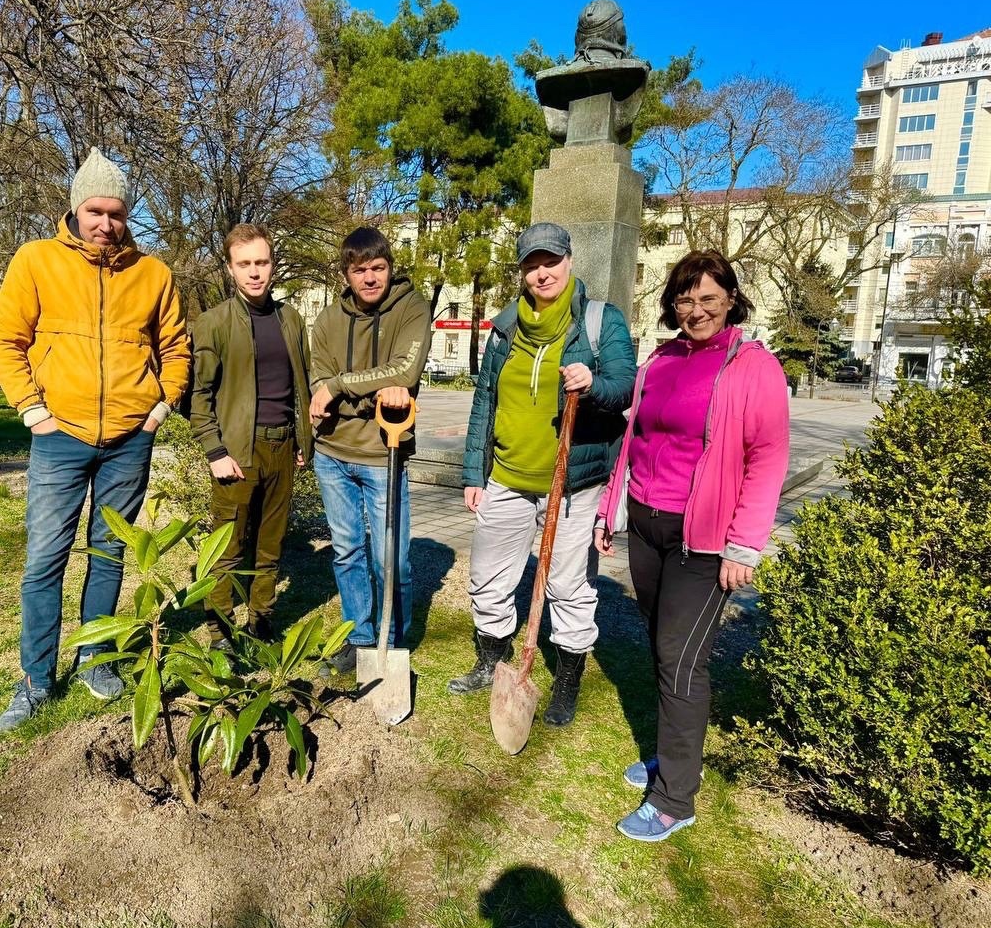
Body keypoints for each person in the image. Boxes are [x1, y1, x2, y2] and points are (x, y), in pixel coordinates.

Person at [0, 147, 190, 731]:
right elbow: (5, 340)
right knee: (45, 558)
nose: (106, 223)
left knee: (109, 553)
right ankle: (35, 679)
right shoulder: (36, 261)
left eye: (117, 212)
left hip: (130, 437)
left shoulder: (153, 274)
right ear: (76, 209)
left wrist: (157, 409)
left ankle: (97, 656)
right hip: (59, 436)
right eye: (96, 210)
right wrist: (32, 410)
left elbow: (176, 349)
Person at [594, 249, 789, 842]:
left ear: (731, 299)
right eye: (684, 298)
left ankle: (676, 798)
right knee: (662, 646)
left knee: (681, 660)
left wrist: (744, 546)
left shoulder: (752, 366)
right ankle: (668, 755)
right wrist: (612, 510)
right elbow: (636, 438)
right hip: (649, 527)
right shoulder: (660, 359)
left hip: (704, 540)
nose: (696, 309)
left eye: (708, 298)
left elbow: (768, 458)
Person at [450, 221, 636, 729]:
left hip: (574, 484)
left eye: (550, 261)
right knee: (487, 579)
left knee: (568, 588)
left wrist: (592, 381)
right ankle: (491, 661)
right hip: (507, 477)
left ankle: (567, 681)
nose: (541, 272)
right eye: (531, 264)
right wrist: (473, 472)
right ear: (521, 271)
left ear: (569, 261)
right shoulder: (505, 329)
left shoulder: (601, 321)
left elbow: (624, 386)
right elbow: (485, 401)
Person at [309, 227, 430, 674]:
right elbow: (317, 380)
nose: (371, 279)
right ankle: (359, 636)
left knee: (390, 558)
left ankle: (392, 641)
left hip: (384, 452)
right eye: (360, 271)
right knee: (346, 549)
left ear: (390, 268)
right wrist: (372, 389)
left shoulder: (412, 309)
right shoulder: (327, 321)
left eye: (378, 268)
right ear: (347, 274)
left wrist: (343, 387)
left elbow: (405, 369)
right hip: (332, 454)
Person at [189, 223, 312, 643]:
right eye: (245, 264)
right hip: (236, 452)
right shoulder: (214, 324)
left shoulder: (291, 320)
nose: (254, 272)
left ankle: (261, 619)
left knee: (270, 542)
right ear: (230, 269)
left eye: (261, 262)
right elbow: (199, 394)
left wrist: (301, 438)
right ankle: (220, 628)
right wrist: (214, 450)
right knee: (228, 545)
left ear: (272, 265)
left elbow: (302, 384)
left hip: (282, 448)